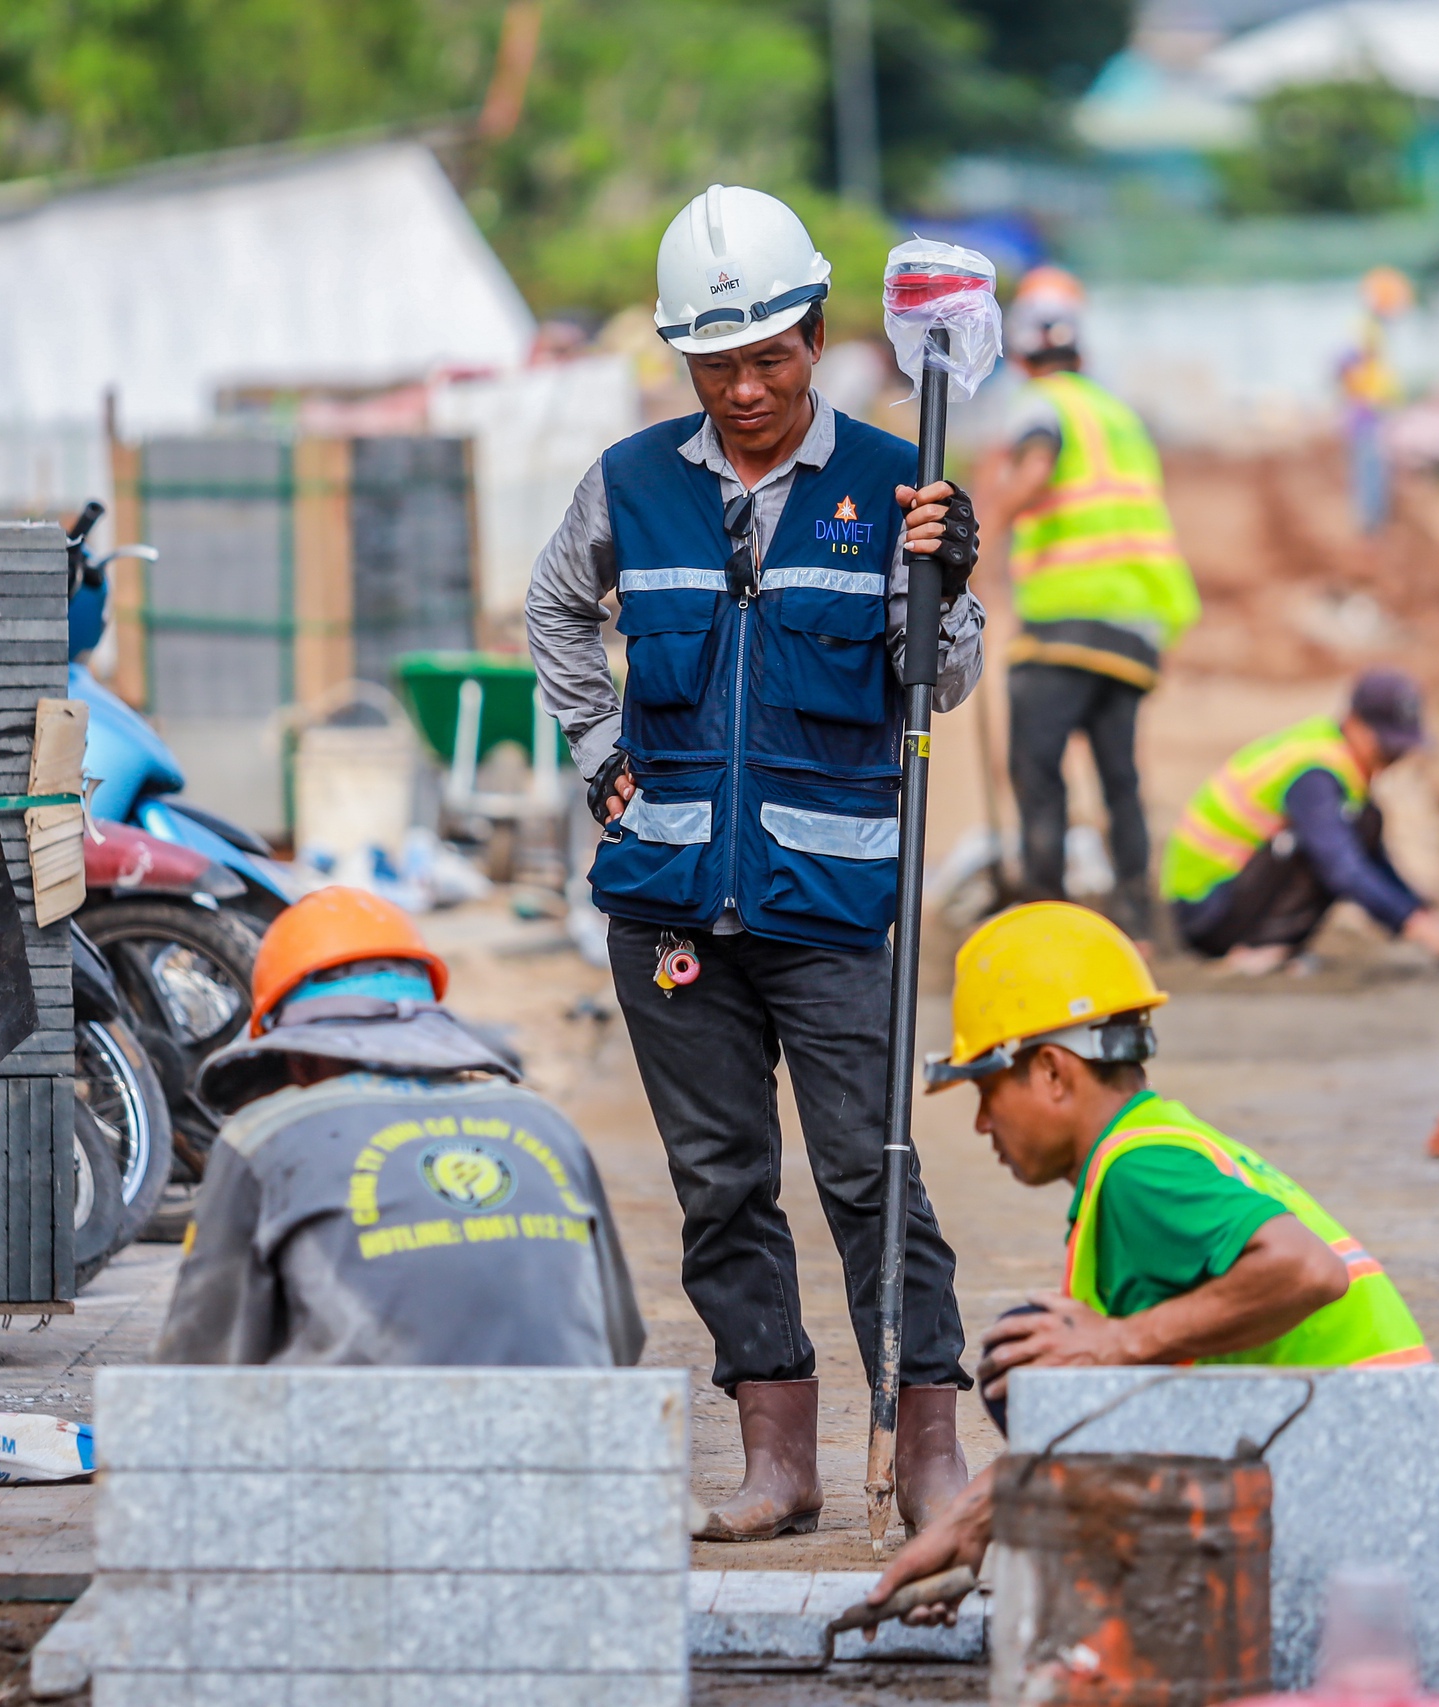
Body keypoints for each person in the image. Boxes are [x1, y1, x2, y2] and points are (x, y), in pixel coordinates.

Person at [524, 184, 986, 1542]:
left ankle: (927, 1446)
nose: (743, 387)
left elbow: (942, 685)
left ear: (819, 335)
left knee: (867, 1168)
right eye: (715, 363)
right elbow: (555, 607)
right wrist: (597, 736)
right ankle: (777, 1457)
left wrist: (946, 584)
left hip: (832, 904)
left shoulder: (899, 485)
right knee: (722, 1181)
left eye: (770, 356)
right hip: (667, 908)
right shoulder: (630, 482)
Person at [864, 900, 1429, 1616]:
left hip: (1367, 1478)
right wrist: (980, 1515)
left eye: (987, 1089)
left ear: (1053, 1072)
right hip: (1367, 1448)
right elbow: (1129, 1397)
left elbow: (1309, 1270)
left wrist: (1115, 1340)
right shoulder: (1149, 1148)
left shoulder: (1141, 1168)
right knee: (1050, 1356)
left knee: (1035, 1356)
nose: (981, 1122)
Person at [155, 886, 645, 1367]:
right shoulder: (546, 1126)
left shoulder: (263, 1139)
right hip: (571, 1439)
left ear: (298, 1060)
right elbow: (620, 1341)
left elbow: (199, 1368)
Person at [971, 269, 1198, 940]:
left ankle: (1046, 914)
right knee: (1119, 774)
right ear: (1082, 350)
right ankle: (1138, 913)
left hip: (1067, 617)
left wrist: (977, 544)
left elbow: (1035, 463)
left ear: (1019, 353)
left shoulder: (1038, 403)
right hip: (1134, 621)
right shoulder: (1116, 414)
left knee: (1036, 768)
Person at [1161, 666, 1439, 977]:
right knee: (1330, 841)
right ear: (1355, 724)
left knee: (1364, 821)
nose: (1391, 762)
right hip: (1207, 913)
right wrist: (1424, 931)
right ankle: (1258, 945)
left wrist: (1425, 915)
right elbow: (1343, 868)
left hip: (1230, 896)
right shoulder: (1315, 770)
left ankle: (1268, 942)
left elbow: (1375, 861)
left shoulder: (1336, 763)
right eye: (1386, 749)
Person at [1339, 266, 1412, 536]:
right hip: (1365, 412)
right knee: (1369, 466)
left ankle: (1375, 521)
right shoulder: (1365, 329)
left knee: (1374, 465)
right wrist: (1365, 397)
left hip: (1372, 409)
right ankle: (1371, 524)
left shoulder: (1373, 329)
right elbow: (1346, 366)